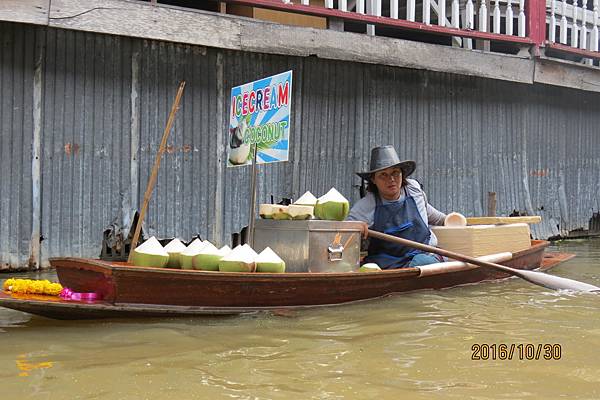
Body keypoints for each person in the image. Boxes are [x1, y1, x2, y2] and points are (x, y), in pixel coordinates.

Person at [347, 145, 447, 269]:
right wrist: (356, 233)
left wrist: (453, 221)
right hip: (389, 263)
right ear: (373, 179)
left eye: (395, 172)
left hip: (424, 256)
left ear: (402, 174)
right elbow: (344, 239)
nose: (391, 179)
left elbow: (432, 215)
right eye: (383, 175)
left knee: (424, 262)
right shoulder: (364, 207)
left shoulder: (414, 190)